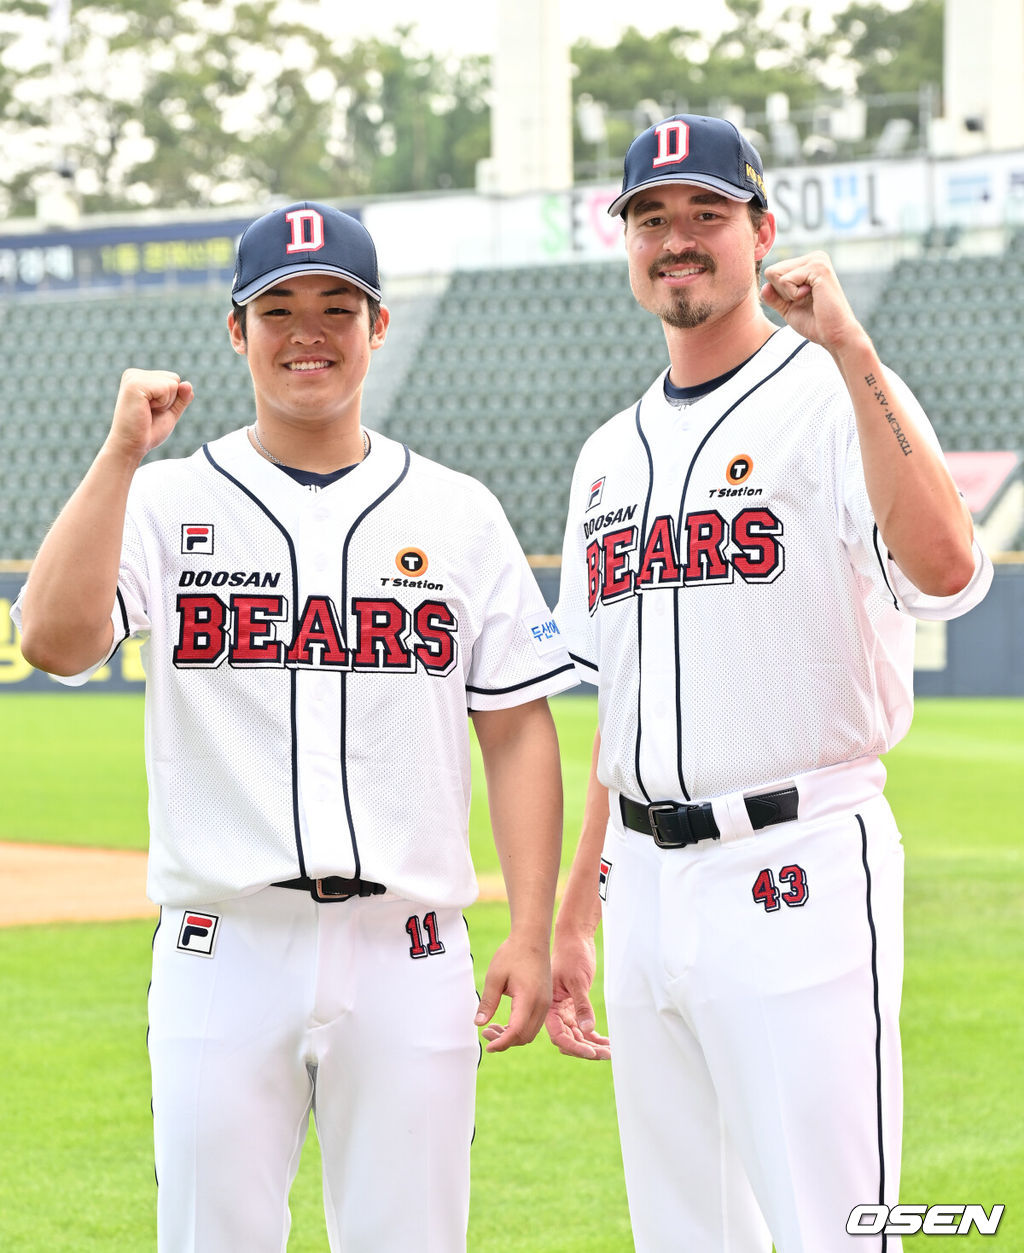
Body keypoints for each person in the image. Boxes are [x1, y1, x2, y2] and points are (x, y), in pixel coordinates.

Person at [13, 201, 578, 1251]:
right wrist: (118, 455)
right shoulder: (164, 497)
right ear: (237, 330)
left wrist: (534, 928)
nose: (307, 329)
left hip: (409, 949)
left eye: (336, 305)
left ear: (379, 326)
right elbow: (53, 639)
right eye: (278, 307)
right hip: (224, 941)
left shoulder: (457, 510)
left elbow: (514, 725)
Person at [543, 115, 993, 1251]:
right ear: (629, 245)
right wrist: (575, 912)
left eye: (706, 214)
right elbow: (618, 697)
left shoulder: (838, 392)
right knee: (684, 1231)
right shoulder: (606, 452)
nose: (677, 240)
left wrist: (851, 351)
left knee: (836, 1226)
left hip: (794, 861)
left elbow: (944, 568)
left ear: (763, 230)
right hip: (641, 881)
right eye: (653, 219)